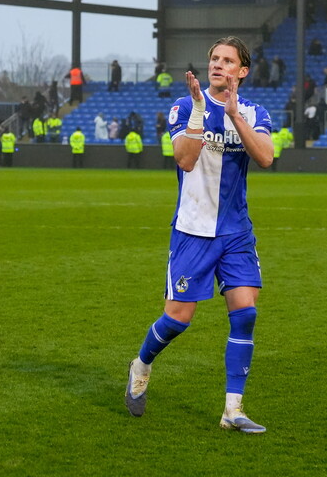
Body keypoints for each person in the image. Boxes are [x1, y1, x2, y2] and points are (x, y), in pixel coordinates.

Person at [125, 35, 273, 434]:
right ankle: (141, 365)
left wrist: (233, 114)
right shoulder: (183, 106)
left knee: (246, 314)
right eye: (214, 58)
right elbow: (185, 160)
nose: (218, 65)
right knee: (178, 319)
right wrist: (199, 111)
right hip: (193, 231)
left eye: (227, 60)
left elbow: (265, 157)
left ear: (242, 71)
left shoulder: (255, 112)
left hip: (237, 232)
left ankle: (232, 410)